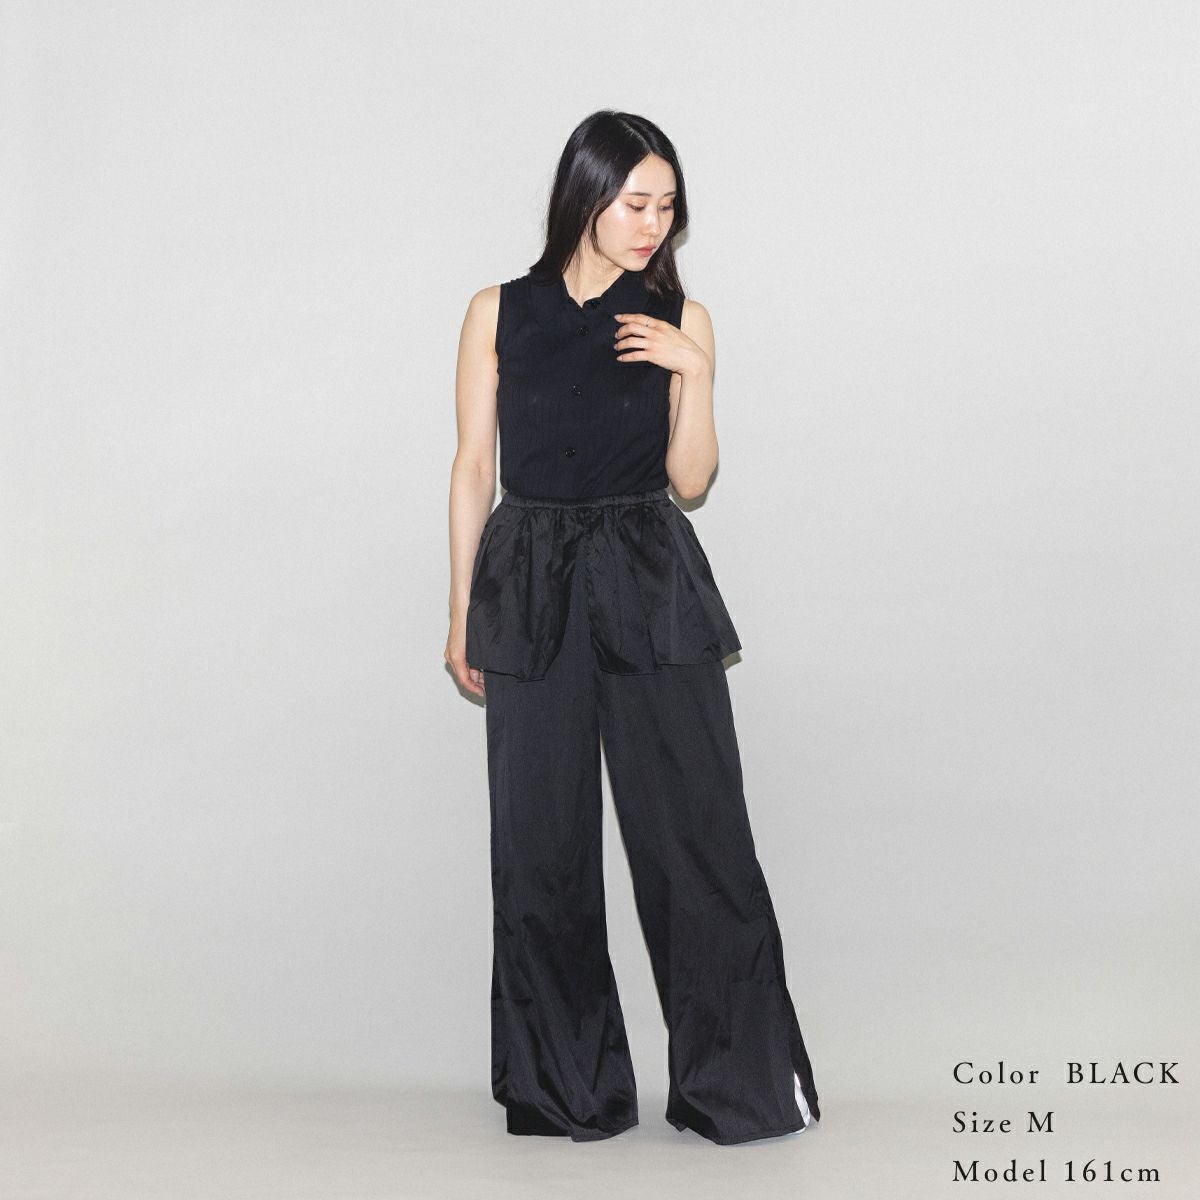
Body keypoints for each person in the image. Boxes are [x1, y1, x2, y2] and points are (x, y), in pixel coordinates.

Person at [445, 110, 821, 1146]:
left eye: (668, 207)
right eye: (637, 203)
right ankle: (567, 1090)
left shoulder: (682, 317)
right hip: (527, 579)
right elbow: (474, 468)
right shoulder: (496, 311)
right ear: (585, 197)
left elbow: (690, 480)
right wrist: (462, 611)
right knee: (539, 846)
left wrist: (693, 371)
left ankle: (737, 1087)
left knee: (696, 836)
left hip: (647, 576)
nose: (656, 224)